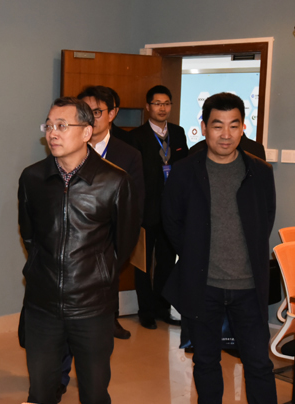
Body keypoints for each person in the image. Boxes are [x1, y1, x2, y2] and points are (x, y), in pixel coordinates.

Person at [19, 97, 140, 404]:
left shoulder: (114, 180)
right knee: (41, 392)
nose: (52, 133)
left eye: (62, 126)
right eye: (49, 126)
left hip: (92, 306)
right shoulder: (32, 178)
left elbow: (124, 242)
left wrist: (98, 274)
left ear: (87, 132)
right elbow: (30, 236)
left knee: (94, 392)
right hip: (43, 304)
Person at [162, 92, 277, 403]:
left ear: (243, 128)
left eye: (233, 125)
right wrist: (195, 253)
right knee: (205, 362)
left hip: (249, 287)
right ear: (203, 127)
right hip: (204, 286)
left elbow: (265, 219)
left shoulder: (260, 172)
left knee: (259, 364)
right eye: (217, 125)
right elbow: (171, 220)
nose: (226, 134)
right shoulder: (184, 171)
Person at [77, 85, 145, 338]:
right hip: (77, 231)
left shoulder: (129, 154)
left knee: (109, 278)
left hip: (112, 232)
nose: (90, 118)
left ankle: (111, 319)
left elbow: (136, 199)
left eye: (96, 112)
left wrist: (124, 238)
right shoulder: (70, 148)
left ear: (112, 114)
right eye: (85, 111)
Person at [131, 85, 187, 329]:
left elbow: (184, 167)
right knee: (143, 264)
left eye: (166, 103)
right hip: (146, 210)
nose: (162, 108)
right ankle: (145, 310)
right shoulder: (136, 136)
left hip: (172, 210)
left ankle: (162, 307)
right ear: (148, 107)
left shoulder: (178, 133)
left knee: (167, 261)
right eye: (157, 103)